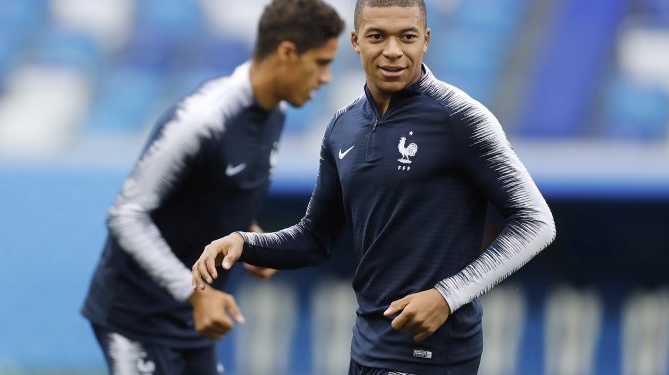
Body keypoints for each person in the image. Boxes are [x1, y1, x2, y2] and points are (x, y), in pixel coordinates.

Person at [192, 0, 556, 374]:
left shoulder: (461, 116)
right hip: (367, 349)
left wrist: (448, 297)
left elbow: (536, 221)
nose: (393, 51)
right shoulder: (341, 127)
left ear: (426, 40)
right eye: (378, 36)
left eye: (407, 37)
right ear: (355, 41)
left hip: (433, 354)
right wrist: (244, 243)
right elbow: (314, 238)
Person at [81, 1, 344, 373]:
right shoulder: (201, 120)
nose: (326, 77)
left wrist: (252, 242)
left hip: (191, 318)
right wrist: (193, 293)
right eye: (321, 62)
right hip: (135, 318)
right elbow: (126, 215)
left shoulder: (276, 114)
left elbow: (217, 199)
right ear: (287, 52)